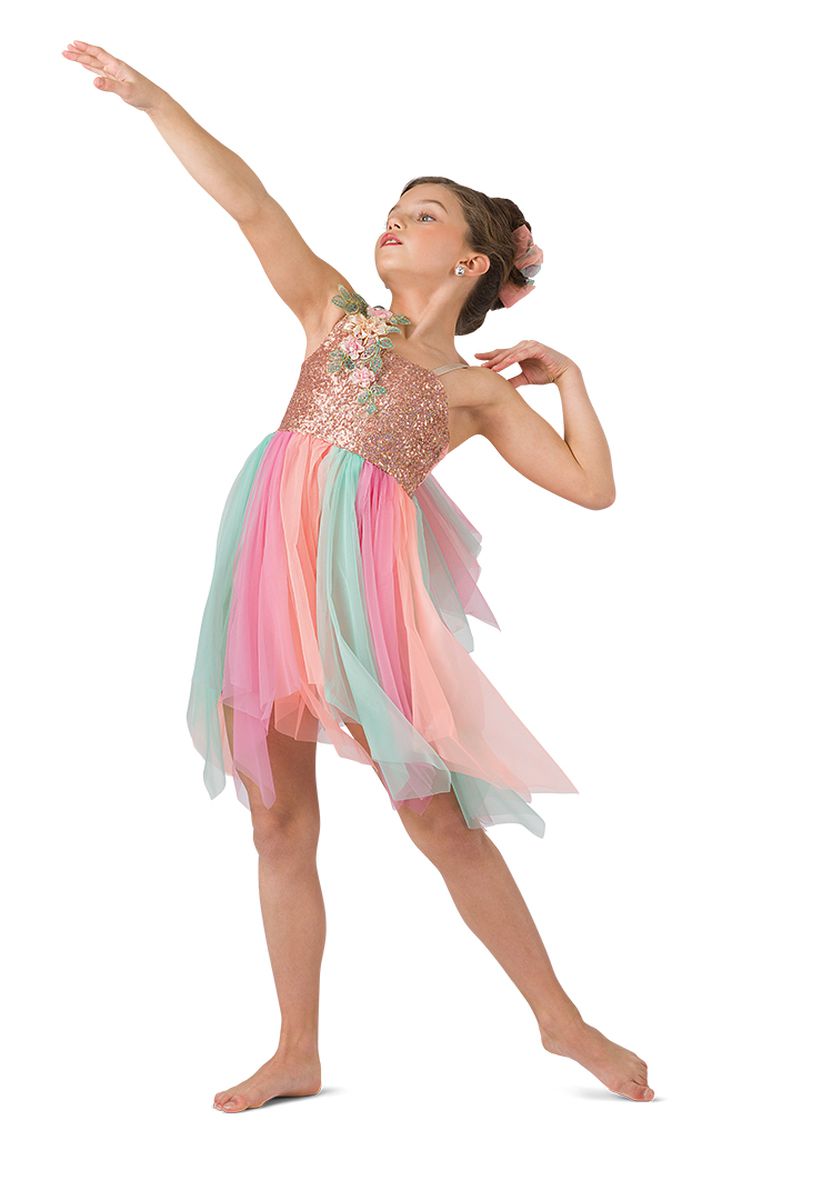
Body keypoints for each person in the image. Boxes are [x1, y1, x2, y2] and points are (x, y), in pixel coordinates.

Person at [62, 39, 654, 1110]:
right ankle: (298, 1048)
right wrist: (153, 101)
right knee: (277, 821)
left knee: (434, 816)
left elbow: (590, 486)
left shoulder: (474, 393)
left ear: (471, 263)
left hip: (359, 597)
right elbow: (250, 205)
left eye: (424, 215)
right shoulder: (333, 314)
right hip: (265, 579)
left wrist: (570, 377)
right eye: (393, 209)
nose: (395, 221)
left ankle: (561, 1021)